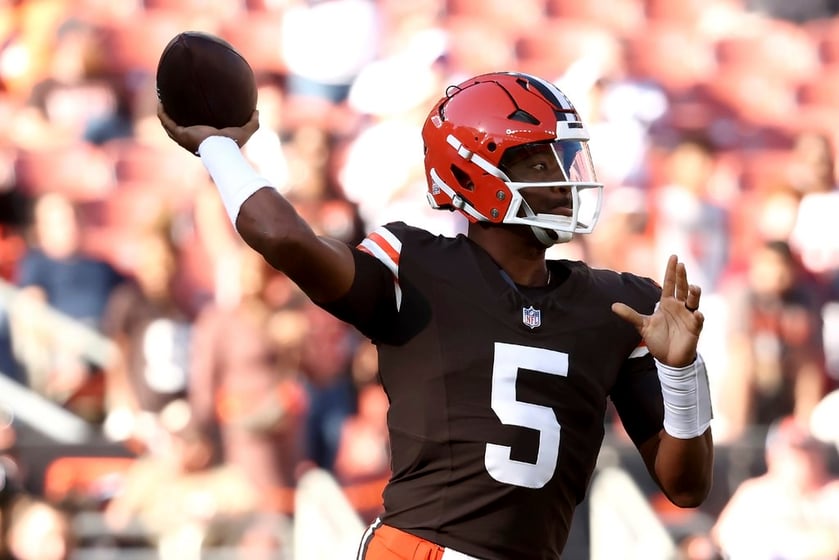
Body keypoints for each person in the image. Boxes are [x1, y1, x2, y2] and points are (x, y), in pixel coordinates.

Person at [158, 71, 714, 559]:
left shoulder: (618, 304)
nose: (562, 176)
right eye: (538, 159)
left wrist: (683, 373)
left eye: (563, 157)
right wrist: (219, 149)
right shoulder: (414, 268)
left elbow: (687, 487)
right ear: (473, 175)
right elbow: (283, 237)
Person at [710, 416, 839, 559]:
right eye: (795, 451)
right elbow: (721, 537)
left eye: (809, 450)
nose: (804, 460)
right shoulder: (754, 493)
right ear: (772, 455)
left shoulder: (834, 492)